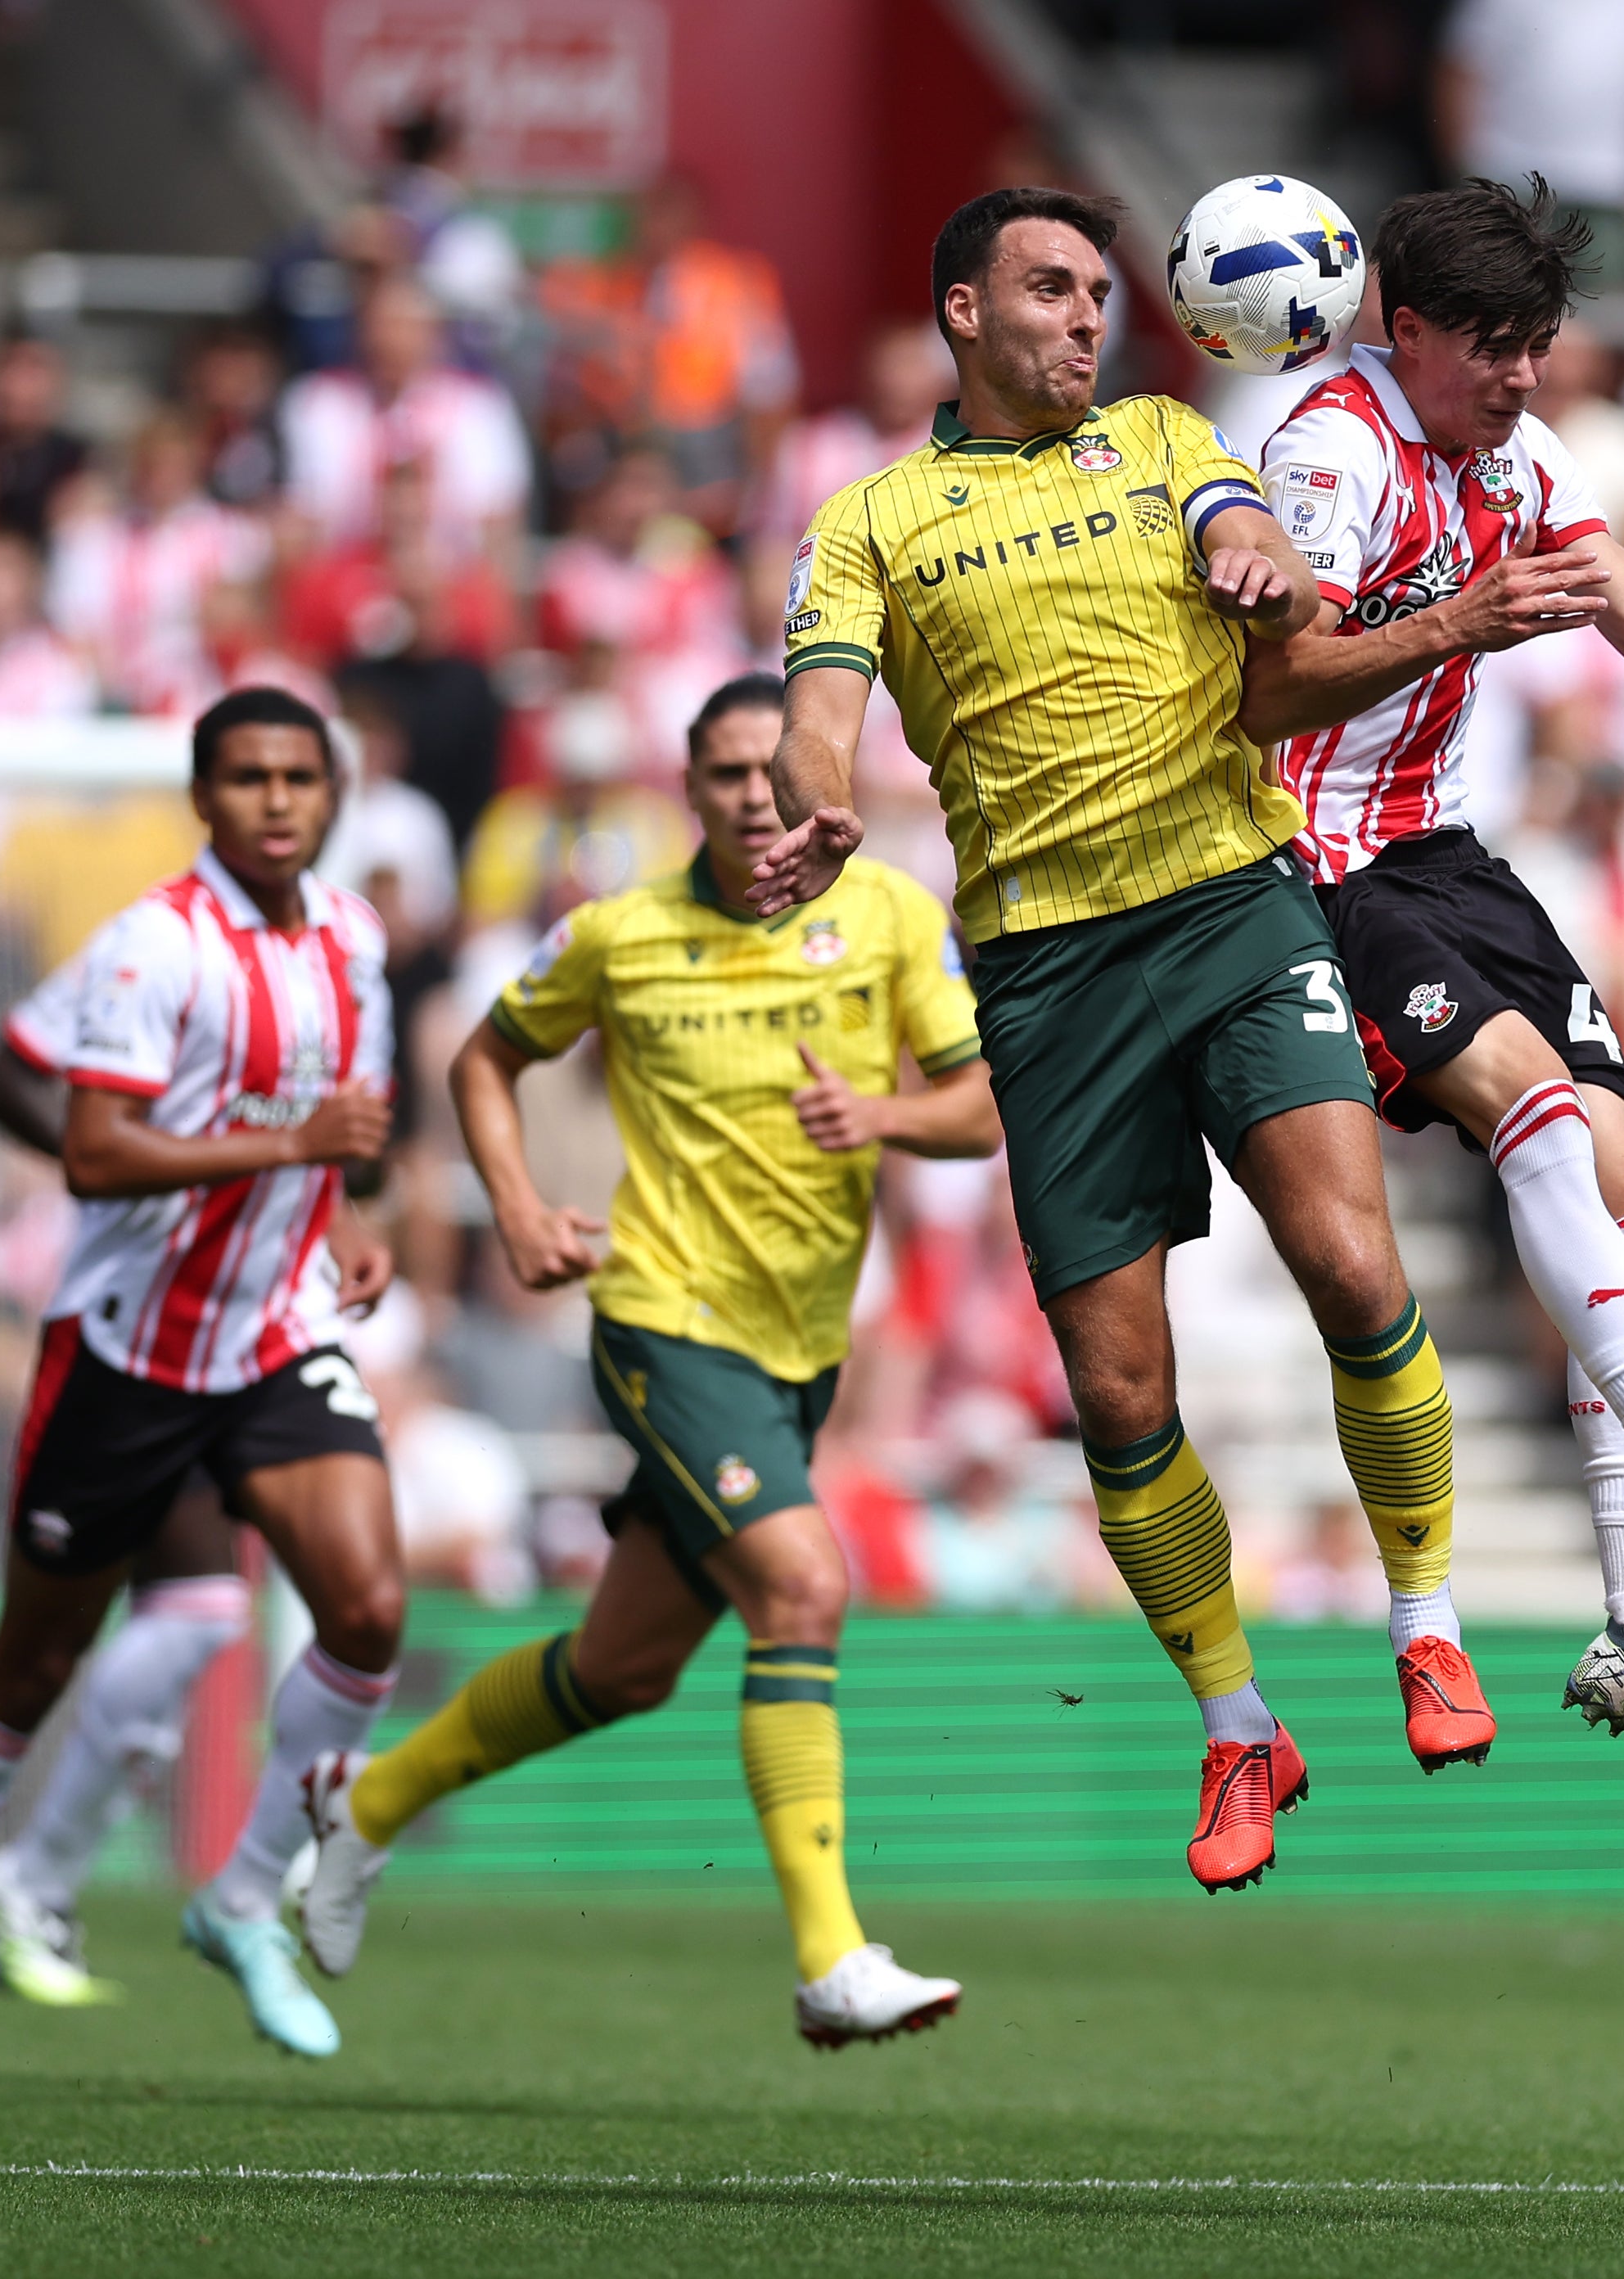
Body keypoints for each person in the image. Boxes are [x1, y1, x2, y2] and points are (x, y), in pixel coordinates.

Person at [754, 187, 1451, 1893]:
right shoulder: (871, 521)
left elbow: (1260, 550)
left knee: (1354, 1264)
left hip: (1231, 906)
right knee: (1120, 1392)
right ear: (962, 315)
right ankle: (1235, 1725)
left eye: (1096, 291)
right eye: (1048, 289)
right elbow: (818, 713)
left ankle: (1426, 1623)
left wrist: (1263, 554)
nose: (1085, 316)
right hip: (1050, 978)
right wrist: (821, 804)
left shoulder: (1163, 440)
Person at [300, 674, 999, 2046]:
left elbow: (981, 1111)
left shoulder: (892, 918)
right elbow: (484, 1062)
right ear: (686, 793)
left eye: (770, 769)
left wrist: (882, 1115)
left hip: (800, 1356)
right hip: (663, 1325)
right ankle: (828, 1960)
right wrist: (510, 1207)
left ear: (811, 783)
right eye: (725, 773)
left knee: (621, 1670)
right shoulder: (621, 937)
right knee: (803, 1585)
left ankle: (365, 1802)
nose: (753, 793)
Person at [1236, 178, 1624, 1780]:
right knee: (1539, 1113)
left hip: (1441, 851)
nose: (1520, 377)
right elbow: (1265, 679)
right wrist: (1460, 619)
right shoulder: (1330, 450)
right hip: (1308, 858)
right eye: (1491, 348)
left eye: (1539, 348)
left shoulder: (1526, 457)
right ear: (1405, 330)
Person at [0, 688, 403, 2089]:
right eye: (248, 777)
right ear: (203, 798)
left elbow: (350, 1138)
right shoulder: (155, 946)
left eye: (301, 775)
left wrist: (343, 1214)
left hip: (274, 1335)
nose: (278, 799)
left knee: (366, 1612)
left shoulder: (356, 940)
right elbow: (95, 1153)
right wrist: (291, 1147)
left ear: (330, 794)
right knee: (31, 1664)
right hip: (126, 1347)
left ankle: (240, 1902)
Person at [0, 950, 257, 2010]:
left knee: (205, 1612)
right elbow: (6, 1079)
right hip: (125, 1355)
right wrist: (125, 1164)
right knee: (48, 1651)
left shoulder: (326, 964)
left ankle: (31, 1887)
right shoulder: (155, 956)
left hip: (236, 1343)